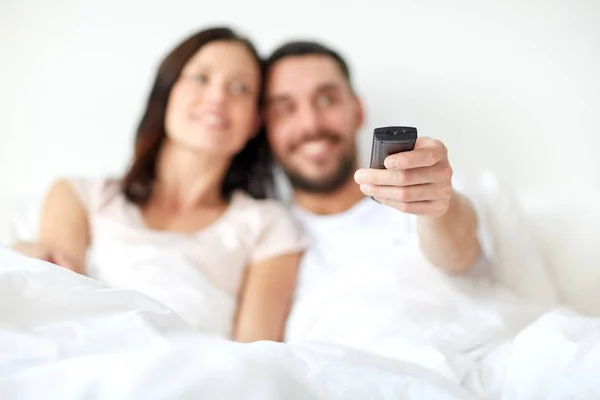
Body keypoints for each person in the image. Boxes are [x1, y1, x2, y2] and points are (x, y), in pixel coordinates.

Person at [11, 27, 307, 343]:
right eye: (200, 78)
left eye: (240, 88)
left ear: (254, 123)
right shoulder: (79, 196)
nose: (218, 97)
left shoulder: (268, 226)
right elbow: (58, 311)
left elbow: (258, 352)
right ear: (167, 94)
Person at [261, 40, 546, 353]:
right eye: (285, 109)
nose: (311, 124)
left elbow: (460, 255)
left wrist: (435, 206)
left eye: (326, 99)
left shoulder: (431, 181)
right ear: (265, 128)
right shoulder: (269, 238)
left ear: (357, 110)